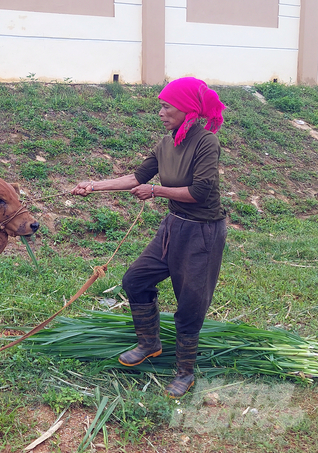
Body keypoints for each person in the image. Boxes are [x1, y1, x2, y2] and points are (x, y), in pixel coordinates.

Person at [72, 77, 227, 398]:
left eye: (167, 106)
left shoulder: (206, 142)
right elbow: (137, 177)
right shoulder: (166, 143)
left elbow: (199, 192)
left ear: (187, 109)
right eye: (161, 105)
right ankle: (149, 343)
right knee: (136, 279)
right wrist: (94, 185)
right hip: (173, 226)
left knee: (191, 304)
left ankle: (185, 372)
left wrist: (156, 191)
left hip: (203, 233)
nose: (160, 112)